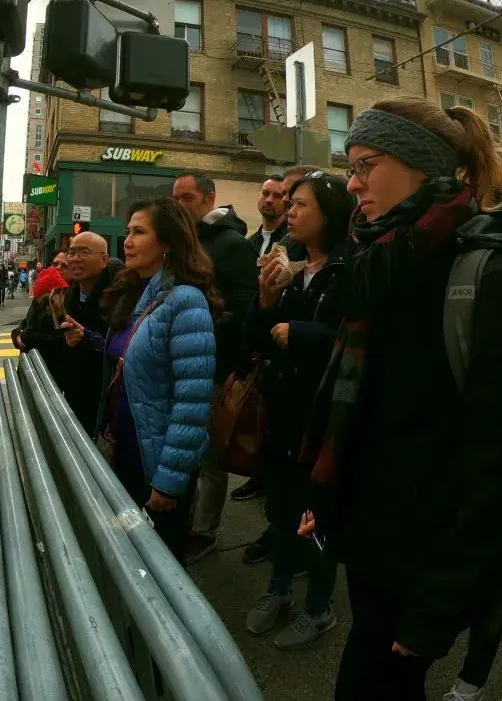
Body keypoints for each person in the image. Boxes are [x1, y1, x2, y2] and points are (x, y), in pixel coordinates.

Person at [299, 99, 502, 701]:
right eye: (350, 167)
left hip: (426, 560)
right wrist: (328, 496)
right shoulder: (377, 260)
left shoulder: (495, 271)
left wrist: (441, 603)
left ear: (421, 164)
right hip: (374, 540)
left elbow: (500, 458)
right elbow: (361, 409)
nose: (353, 183)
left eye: (366, 165)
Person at [244, 172, 355, 650]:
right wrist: (266, 301)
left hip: (324, 417)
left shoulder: (350, 267)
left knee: (316, 515)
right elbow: (257, 339)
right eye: (288, 204)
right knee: (282, 509)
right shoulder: (288, 266)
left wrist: (302, 333)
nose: (289, 211)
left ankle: (319, 607)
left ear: (328, 214)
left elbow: (357, 342)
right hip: (284, 412)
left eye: (300, 204)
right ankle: (279, 589)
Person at [98, 197, 219, 560]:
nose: (127, 242)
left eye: (138, 232)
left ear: (167, 242)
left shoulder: (186, 301)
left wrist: (168, 480)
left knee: (159, 563)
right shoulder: (140, 292)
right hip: (126, 448)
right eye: (127, 232)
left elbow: (192, 403)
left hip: (156, 463)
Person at [172, 170, 258, 562]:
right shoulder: (185, 242)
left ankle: (203, 532)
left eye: (187, 197)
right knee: (187, 446)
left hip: (211, 365)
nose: (179, 205)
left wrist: (200, 331)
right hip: (183, 363)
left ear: (210, 199)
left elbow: (244, 306)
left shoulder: (232, 244)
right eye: (176, 198)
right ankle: (187, 518)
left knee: (208, 455)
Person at [231, 163, 314, 508]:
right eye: (266, 193)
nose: (274, 200)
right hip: (267, 354)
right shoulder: (253, 243)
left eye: (285, 196)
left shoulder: (305, 249)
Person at [57, 231, 122, 433]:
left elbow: (122, 351)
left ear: (104, 260)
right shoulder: (69, 296)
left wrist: (88, 339)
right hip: (74, 398)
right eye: (71, 252)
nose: (75, 258)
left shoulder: (120, 298)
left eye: (84, 252)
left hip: (107, 407)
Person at [248, 175, 288, 257]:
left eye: (277, 196)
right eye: (265, 193)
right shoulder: (249, 243)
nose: (269, 200)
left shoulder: (294, 242)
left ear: (287, 202)